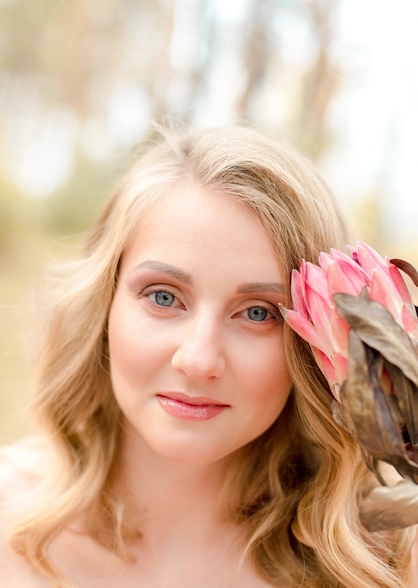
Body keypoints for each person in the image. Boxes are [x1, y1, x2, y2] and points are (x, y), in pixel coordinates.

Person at [0, 125, 415, 587]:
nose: (198, 360)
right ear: (105, 306)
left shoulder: (388, 560)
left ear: (318, 341)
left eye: (257, 312)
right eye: (163, 297)